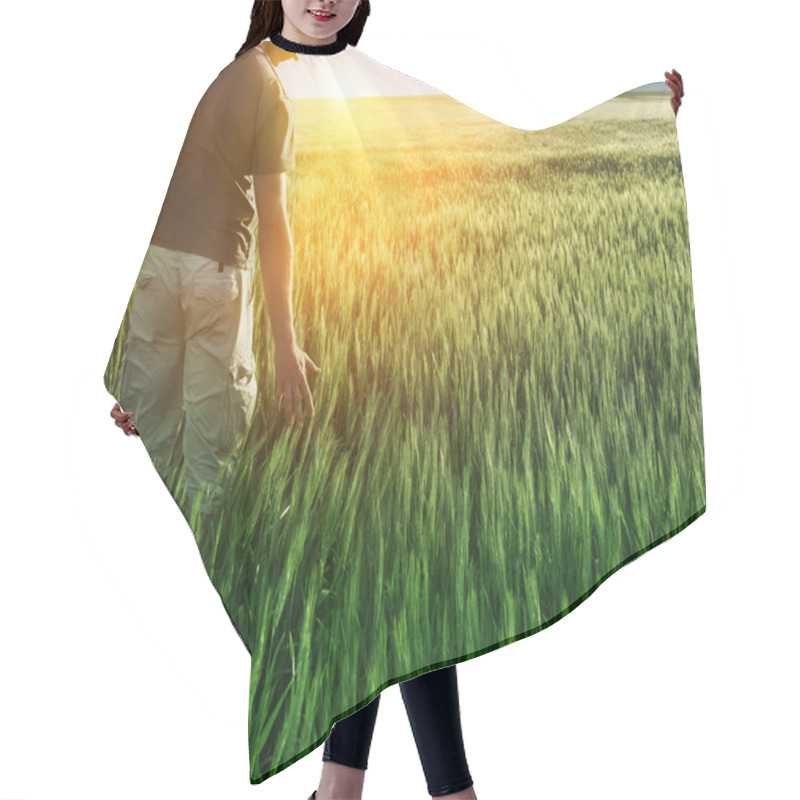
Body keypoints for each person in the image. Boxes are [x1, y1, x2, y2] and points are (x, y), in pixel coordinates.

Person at [110, 2, 685, 798]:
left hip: (372, 358)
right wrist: (152, 371)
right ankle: (426, 790)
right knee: (371, 566)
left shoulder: (366, 85)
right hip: (298, 370)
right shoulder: (248, 80)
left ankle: (351, 789)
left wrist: (641, 123)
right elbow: (191, 225)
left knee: (398, 557)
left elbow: (489, 170)